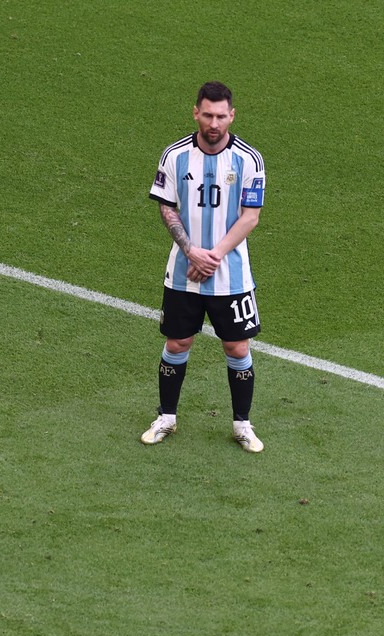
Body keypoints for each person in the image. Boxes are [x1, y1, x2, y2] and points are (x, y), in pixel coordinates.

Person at [142, 81, 267, 453]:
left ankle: (242, 424)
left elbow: (251, 217)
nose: (214, 123)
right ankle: (167, 416)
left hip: (231, 273)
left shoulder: (249, 159)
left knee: (237, 347)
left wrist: (210, 256)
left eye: (221, 116)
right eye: (207, 115)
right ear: (195, 112)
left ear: (232, 115)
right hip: (183, 271)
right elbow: (166, 206)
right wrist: (191, 251)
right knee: (177, 341)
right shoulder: (175, 156)